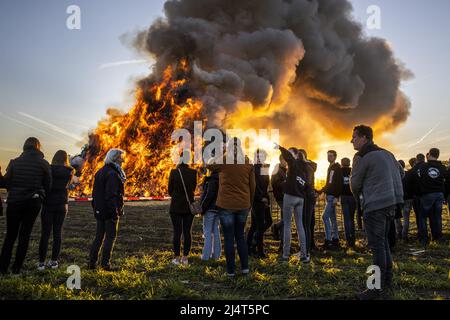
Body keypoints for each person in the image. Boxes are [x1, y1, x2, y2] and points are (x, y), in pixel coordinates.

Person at [350, 125, 404, 300]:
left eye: (354, 137)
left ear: (364, 137)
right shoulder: (388, 154)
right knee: (384, 244)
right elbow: (401, 173)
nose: (352, 141)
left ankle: (374, 288)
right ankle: (387, 283)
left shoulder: (361, 157)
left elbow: (355, 184)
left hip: (374, 206)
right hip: (391, 203)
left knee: (377, 246)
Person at [0, 137, 52, 275]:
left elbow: (4, 183)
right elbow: (48, 186)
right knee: (25, 235)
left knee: (10, 236)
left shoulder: (14, 162)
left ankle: (3, 269)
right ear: (38, 147)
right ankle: (16, 269)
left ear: (24, 147)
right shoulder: (44, 164)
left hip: (14, 202)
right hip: (33, 203)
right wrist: (40, 195)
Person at [208, 138, 255, 277]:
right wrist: (249, 203)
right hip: (243, 205)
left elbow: (209, 165)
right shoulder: (247, 162)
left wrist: (222, 153)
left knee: (228, 238)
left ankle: (230, 271)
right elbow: (253, 186)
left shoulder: (224, 161)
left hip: (226, 205)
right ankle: (245, 269)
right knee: (240, 236)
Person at [88, 149, 126, 271]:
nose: (123, 160)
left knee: (99, 237)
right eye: (120, 158)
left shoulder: (100, 172)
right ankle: (105, 264)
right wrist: (114, 212)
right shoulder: (113, 174)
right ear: (115, 159)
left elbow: (95, 194)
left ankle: (91, 263)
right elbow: (111, 195)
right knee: (110, 237)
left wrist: (96, 208)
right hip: (109, 211)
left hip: (100, 210)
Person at [38, 150, 75, 270]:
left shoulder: (48, 169)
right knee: (57, 233)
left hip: (48, 204)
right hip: (62, 204)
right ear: (66, 159)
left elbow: (44, 184)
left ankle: (41, 263)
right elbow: (69, 186)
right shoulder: (70, 171)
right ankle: (54, 262)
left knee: (45, 234)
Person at [275, 145, 309, 263]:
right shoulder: (305, 167)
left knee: (287, 225)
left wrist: (280, 148)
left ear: (295, 155)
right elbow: (306, 184)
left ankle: (285, 255)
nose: (286, 156)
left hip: (290, 196)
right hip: (300, 198)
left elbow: (289, 157)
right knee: (300, 226)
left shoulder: (293, 164)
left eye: (290, 153)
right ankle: (304, 255)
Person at [167, 151, 197, 266]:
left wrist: (176, 195)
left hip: (175, 206)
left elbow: (170, 190)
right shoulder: (193, 173)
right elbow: (193, 188)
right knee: (187, 232)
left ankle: (176, 257)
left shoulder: (174, 172)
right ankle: (185, 258)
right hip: (189, 207)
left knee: (177, 232)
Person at [417, 148, 446, 243]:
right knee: (437, 216)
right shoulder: (442, 167)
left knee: (422, 216)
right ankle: (438, 237)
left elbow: (419, 178)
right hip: (439, 194)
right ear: (438, 155)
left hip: (427, 194)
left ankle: (424, 238)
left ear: (429, 154)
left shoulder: (423, 166)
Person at [247, 149, 272, 258]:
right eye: (257, 156)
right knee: (258, 225)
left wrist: (266, 198)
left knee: (267, 222)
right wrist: (261, 198)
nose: (259, 158)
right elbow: (253, 185)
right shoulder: (253, 169)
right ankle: (259, 251)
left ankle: (251, 244)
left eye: (262, 156)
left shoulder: (265, 168)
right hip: (256, 200)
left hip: (264, 200)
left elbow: (266, 185)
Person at [320, 150, 343, 249]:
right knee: (333, 219)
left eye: (330, 156)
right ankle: (336, 239)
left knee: (324, 217)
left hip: (333, 197)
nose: (328, 157)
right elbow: (329, 183)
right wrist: (322, 191)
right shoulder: (330, 167)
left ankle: (328, 240)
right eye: (327, 156)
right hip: (329, 195)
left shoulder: (337, 168)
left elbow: (339, 183)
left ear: (335, 157)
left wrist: (337, 197)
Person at [200, 163, 221, 261]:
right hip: (218, 208)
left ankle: (205, 256)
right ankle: (216, 255)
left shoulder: (212, 180)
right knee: (216, 231)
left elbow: (210, 195)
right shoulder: (221, 178)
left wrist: (203, 208)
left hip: (210, 208)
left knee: (208, 232)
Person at [299, 149, 318, 253]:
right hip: (310, 197)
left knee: (306, 223)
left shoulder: (306, 167)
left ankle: (306, 249)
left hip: (306, 197)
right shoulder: (310, 166)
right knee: (310, 222)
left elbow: (307, 183)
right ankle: (309, 246)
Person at [271, 155, 287, 252]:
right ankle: (282, 245)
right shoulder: (277, 169)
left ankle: (276, 226)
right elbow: (275, 184)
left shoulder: (286, 169)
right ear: (281, 160)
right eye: (285, 160)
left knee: (285, 220)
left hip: (287, 197)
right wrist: (286, 182)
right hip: (281, 198)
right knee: (286, 220)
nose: (287, 162)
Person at [409, 154, 426, 241]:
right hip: (426, 194)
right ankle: (436, 235)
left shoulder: (412, 170)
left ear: (416, 160)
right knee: (432, 216)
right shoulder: (427, 167)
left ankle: (422, 235)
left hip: (416, 195)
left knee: (419, 216)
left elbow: (410, 184)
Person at [340, 158, 357, 248]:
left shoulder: (340, 171)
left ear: (342, 163)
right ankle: (353, 239)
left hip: (343, 196)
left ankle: (348, 241)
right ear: (349, 163)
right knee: (351, 218)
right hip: (353, 196)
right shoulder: (353, 171)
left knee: (346, 219)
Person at [402, 158, 417, 242]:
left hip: (398, 198)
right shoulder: (409, 174)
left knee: (396, 218)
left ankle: (398, 232)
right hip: (408, 198)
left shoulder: (394, 175)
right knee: (406, 217)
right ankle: (404, 235)